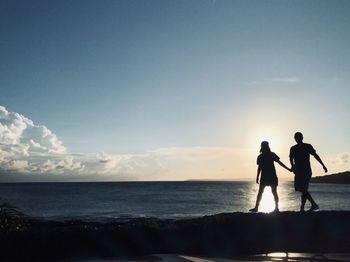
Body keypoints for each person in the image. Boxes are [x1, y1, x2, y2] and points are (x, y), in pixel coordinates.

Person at [289, 132, 328, 211]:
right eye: (296, 137)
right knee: (304, 190)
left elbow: (315, 155)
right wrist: (292, 166)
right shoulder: (295, 148)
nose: (297, 139)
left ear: (301, 138)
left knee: (303, 189)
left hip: (304, 171)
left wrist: (323, 165)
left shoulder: (305, 146)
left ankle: (313, 204)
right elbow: (291, 158)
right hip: (302, 171)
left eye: (297, 137)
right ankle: (302, 208)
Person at [249, 141, 291, 212]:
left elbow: (279, 163)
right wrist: (257, 177)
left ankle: (274, 208)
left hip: (269, 176)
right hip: (268, 176)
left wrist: (288, 169)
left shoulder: (267, 155)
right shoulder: (264, 156)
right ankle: (258, 207)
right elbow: (259, 168)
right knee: (268, 192)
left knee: (268, 192)